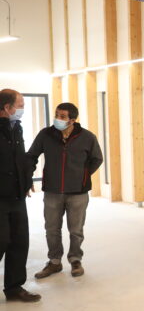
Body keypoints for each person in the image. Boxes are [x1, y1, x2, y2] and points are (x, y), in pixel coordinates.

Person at [28, 103, 103, 279]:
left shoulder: (87, 137)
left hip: (78, 193)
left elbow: (97, 159)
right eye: (57, 115)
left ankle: (75, 260)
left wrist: (83, 176)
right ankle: (54, 262)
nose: (57, 119)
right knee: (51, 229)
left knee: (76, 230)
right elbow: (31, 156)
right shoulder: (46, 135)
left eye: (62, 116)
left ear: (72, 120)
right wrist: (27, 177)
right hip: (52, 192)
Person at [0, 89, 40, 303]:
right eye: (20, 105)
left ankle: (14, 287)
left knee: (19, 241)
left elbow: (19, 159)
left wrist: (26, 181)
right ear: (7, 107)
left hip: (17, 196)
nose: (22, 109)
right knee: (1, 240)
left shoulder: (16, 127)